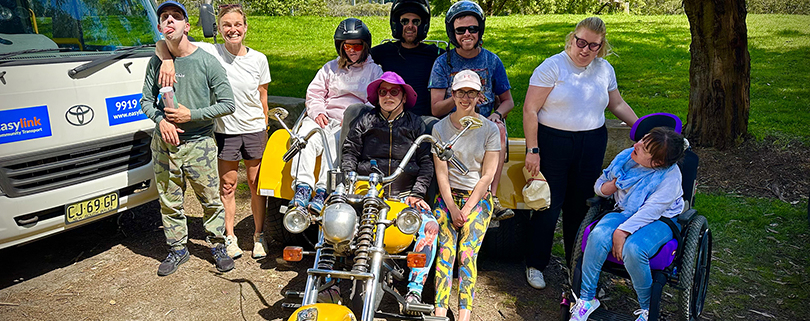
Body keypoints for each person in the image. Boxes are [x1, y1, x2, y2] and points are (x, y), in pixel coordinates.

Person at [522, 16, 639, 290]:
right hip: (553, 142)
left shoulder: (604, 69)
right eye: (581, 42)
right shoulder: (551, 67)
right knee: (548, 205)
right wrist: (533, 149)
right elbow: (530, 110)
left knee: (582, 206)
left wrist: (642, 127)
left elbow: (617, 103)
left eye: (593, 46)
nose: (585, 50)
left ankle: (576, 264)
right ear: (572, 39)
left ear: (601, 46)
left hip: (591, 142)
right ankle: (536, 264)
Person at [156, 4, 271, 260]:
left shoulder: (259, 59)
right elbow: (165, 40)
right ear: (218, 29)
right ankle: (229, 237)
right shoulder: (210, 51)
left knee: (255, 185)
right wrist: (166, 60)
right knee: (227, 186)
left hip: (253, 129)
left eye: (237, 25)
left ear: (245, 27)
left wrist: (264, 126)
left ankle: (258, 235)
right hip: (225, 131)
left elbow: (263, 97)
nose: (233, 30)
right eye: (226, 25)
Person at [139, 1, 236, 276]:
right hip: (165, 147)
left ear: (187, 25)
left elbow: (228, 104)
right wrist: (161, 122)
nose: (170, 21)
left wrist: (190, 114)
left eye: (176, 17)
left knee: (210, 200)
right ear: (159, 27)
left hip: (199, 145)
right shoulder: (156, 61)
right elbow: (146, 101)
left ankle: (217, 246)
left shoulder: (206, 62)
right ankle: (177, 249)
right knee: (169, 202)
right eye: (164, 17)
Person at [341, 71, 437, 313]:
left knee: (430, 226)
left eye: (394, 91)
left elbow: (427, 163)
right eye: (383, 92)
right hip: (369, 188)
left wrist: (418, 192)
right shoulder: (365, 120)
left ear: (404, 96)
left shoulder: (417, 124)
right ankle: (330, 280)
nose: (388, 96)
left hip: (406, 193)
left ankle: (414, 290)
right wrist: (350, 180)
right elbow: (350, 151)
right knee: (337, 220)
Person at [569, 127, 687, 321]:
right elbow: (600, 186)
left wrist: (621, 232)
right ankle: (587, 298)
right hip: (625, 211)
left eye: (644, 148)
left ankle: (647, 308)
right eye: (641, 140)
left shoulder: (670, 178)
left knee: (634, 249)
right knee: (597, 236)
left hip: (659, 219)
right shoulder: (625, 159)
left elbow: (651, 211)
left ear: (657, 162)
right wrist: (613, 185)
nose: (636, 145)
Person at [428, 0, 514, 221]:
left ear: (480, 30)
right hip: (453, 124)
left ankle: (491, 197)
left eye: (472, 29)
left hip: (484, 123)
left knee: (499, 128)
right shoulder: (442, 63)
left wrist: (497, 114)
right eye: (460, 30)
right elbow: (436, 108)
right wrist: (462, 96)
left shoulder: (492, 60)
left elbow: (508, 101)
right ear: (452, 33)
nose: (467, 34)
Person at [289, 18, 383, 213]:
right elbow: (314, 93)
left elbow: (373, 100)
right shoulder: (330, 68)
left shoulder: (374, 70)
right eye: (347, 45)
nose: (352, 50)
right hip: (324, 117)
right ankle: (302, 188)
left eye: (357, 45)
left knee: (335, 143)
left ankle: (323, 190)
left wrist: (354, 118)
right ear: (340, 46)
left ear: (365, 46)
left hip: (351, 122)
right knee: (303, 138)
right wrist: (318, 112)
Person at [431, 69, 500, 321]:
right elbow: (442, 173)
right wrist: (451, 207)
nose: (465, 98)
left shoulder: (490, 130)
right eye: (461, 92)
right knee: (446, 251)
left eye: (471, 93)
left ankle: (464, 314)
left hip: (477, 198)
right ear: (453, 94)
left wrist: (467, 209)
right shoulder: (440, 129)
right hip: (448, 197)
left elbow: (487, 176)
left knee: (467, 253)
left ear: (479, 97)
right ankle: (440, 310)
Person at [369, 0, 444, 117]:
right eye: (404, 21)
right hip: (392, 118)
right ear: (397, 25)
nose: (410, 25)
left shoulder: (435, 53)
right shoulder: (383, 51)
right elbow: (356, 59)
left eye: (416, 22)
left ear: (423, 25)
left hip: (424, 119)